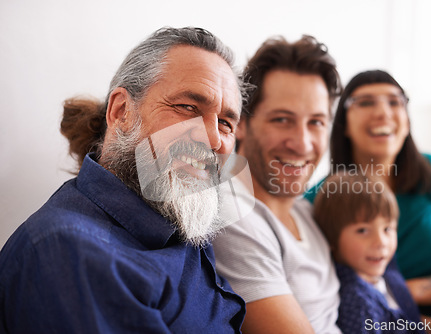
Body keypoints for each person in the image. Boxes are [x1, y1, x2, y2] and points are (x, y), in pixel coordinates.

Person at [0, 27, 247, 333]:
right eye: (187, 107)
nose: (212, 138)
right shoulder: (70, 251)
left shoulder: (185, 217)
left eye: (225, 123)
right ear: (121, 112)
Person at [305, 69, 431, 325]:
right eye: (366, 102)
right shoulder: (319, 200)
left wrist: (400, 294)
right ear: (344, 124)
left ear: (406, 121)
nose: (383, 112)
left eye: (395, 101)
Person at [212, 35, 343, 333]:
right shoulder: (233, 214)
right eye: (283, 120)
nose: (302, 143)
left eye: (316, 122)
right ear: (241, 122)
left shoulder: (307, 212)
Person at [313, 173, 424, 334]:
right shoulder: (358, 303)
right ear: (330, 238)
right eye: (363, 230)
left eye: (387, 229)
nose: (381, 242)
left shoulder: (383, 269)